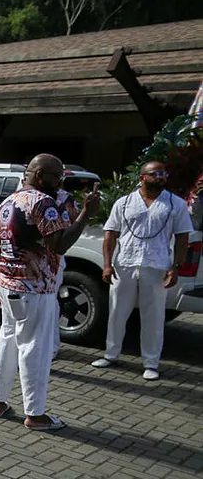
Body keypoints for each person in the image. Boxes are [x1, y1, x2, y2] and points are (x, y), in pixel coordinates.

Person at [0, 154, 99, 431]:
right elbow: (58, 245)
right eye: (56, 177)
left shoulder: (8, 202)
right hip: (35, 290)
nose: (60, 182)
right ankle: (35, 414)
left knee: (8, 341)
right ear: (40, 176)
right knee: (35, 349)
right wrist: (85, 214)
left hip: (9, 284)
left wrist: (1, 286)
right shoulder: (43, 203)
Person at [91, 161, 193, 381]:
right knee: (118, 311)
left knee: (154, 316)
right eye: (156, 173)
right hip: (125, 264)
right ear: (142, 178)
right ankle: (111, 354)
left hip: (156, 266)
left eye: (164, 173)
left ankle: (151, 363)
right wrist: (107, 264)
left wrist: (176, 267)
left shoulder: (176, 204)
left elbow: (183, 237)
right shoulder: (124, 202)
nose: (161, 177)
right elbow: (110, 234)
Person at [48, 185, 80, 360]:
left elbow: (74, 225)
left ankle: (51, 348)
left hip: (53, 260)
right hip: (28, 264)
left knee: (49, 304)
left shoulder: (64, 199)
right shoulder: (27, 195)